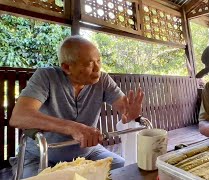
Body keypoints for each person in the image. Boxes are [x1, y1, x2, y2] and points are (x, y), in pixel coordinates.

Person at [9, 35, 144, 178]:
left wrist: (130, 113)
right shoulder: (46, 76)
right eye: (89, 63)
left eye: (98, 61)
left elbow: (125, 108)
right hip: (39, 156)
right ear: (67, 67)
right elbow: (19, 116)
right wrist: (73, 127)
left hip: (89, 152)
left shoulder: (103, 80)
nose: (97, 68)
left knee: (126, 172)